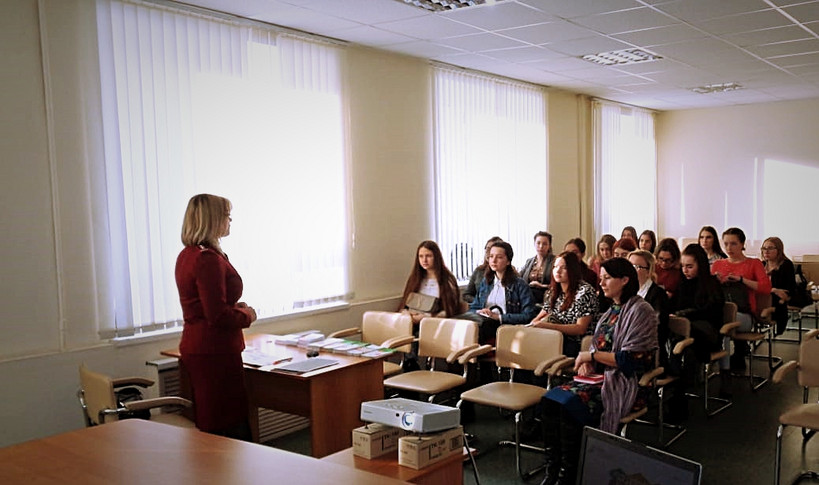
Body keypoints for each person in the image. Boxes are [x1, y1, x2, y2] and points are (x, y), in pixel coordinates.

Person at [538, 258, 657, 485]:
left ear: (624, 280)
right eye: (600, 277)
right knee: (550, 401)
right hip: (598, 378)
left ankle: (569, 474)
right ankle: (553, 469)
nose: (601, 282)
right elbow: (598, 346)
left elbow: (630, 361)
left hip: (627, 383)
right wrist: (588, 362)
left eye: (607, 278)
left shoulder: (642, 311)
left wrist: (591, 356)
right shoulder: (610, 311)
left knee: (570, 405)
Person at [175, 194, 257, 440]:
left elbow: (205, 305)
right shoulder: (207, 259)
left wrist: (234, 305)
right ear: (213, 220)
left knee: (215, 419)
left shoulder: (188, 254)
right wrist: (247, 315)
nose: (230, 221)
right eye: (226, 216)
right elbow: (217, 316)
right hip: (214, 351)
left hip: (200, 346)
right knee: (225, 424)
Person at [670, 244, 725, 416]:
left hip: (707, 335)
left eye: (690, 266)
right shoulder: (682, 284)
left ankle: (678, 393)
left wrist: (684, 315)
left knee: (683, 344)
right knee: (682, 345)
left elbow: (712, 314)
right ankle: (679, 393)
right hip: (687, 336)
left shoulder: (711, 284)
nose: (685, 271)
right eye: (683, 266)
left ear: (700, 265)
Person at [711, 227, 772, 372]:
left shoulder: (753, 263)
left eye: (733, 244)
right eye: (726, 244)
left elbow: (766, 288)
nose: (729, 248)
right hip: (722, 311)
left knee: (724, 321)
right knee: (721, 324)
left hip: (744, 313)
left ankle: (725, 369)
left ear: (742, 244)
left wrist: (742, 280)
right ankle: (724, 366)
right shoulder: (718, 264)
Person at [529, 252, 599, 357]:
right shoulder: (553, 291)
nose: (558, 271)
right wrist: (534, 324)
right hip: (552, 338)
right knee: (526, 343)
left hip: (575, 343)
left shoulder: (585, 291)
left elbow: (580, 329)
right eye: (555, 267)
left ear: (572, 270)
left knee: (537, 351)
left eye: (564, 268)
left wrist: (549, 326)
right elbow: (541, 316)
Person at [468, 241, 537, 344]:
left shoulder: (519, 285)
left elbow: (528, 315)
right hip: (484, 324)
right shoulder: (486, 282)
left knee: (474, 336)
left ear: (508, 261)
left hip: (506, 329)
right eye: (491, 256)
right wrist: (480, 311)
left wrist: (499, 317)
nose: (493, 260)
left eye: (499, 257)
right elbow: (473, 307)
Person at [397, 240, 463, 325]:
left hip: (434, 324)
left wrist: (428, 318)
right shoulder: (415, 278)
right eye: (421, 256)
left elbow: (450, 310)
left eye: (428, 256)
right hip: (411, 321)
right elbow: (405, 304)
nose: (424, 260)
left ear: (436, 257)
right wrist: (407, 315)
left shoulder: (447, 280)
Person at [628, 250, 670, 366]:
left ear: (648, 271)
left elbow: (658, 329)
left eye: (636, 266)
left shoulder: (658, 294)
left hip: (648, 350)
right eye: (629, 266)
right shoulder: (627, 293)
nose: (631, 270)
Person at [761, 237, 795, 336]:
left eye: (770, 248)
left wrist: (775, 291)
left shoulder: (786, 265)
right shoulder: (761, 265)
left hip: (779, 298)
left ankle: (773, 310)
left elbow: (789, 288)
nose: (766, 251)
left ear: (778, 250)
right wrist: (773, 289)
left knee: (779, 297)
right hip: (764, 295)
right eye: (764, 248)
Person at [463, 236, 503, 303]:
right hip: (480, 310)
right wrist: (478, 302)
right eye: (487, 249)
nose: (488, 252)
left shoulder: (509, 274)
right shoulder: (479, 271)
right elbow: (466, 294)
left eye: (492, 249)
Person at [520, 231, 556, 304]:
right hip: (528, 296)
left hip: (547, 296)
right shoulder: (529, 261)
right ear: (534, 244)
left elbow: (559, 284)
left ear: (549, 245)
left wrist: (542, 286)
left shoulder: (555, 260)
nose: (541, 246)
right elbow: (520, 278)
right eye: (538, 243)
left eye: (545, 244)